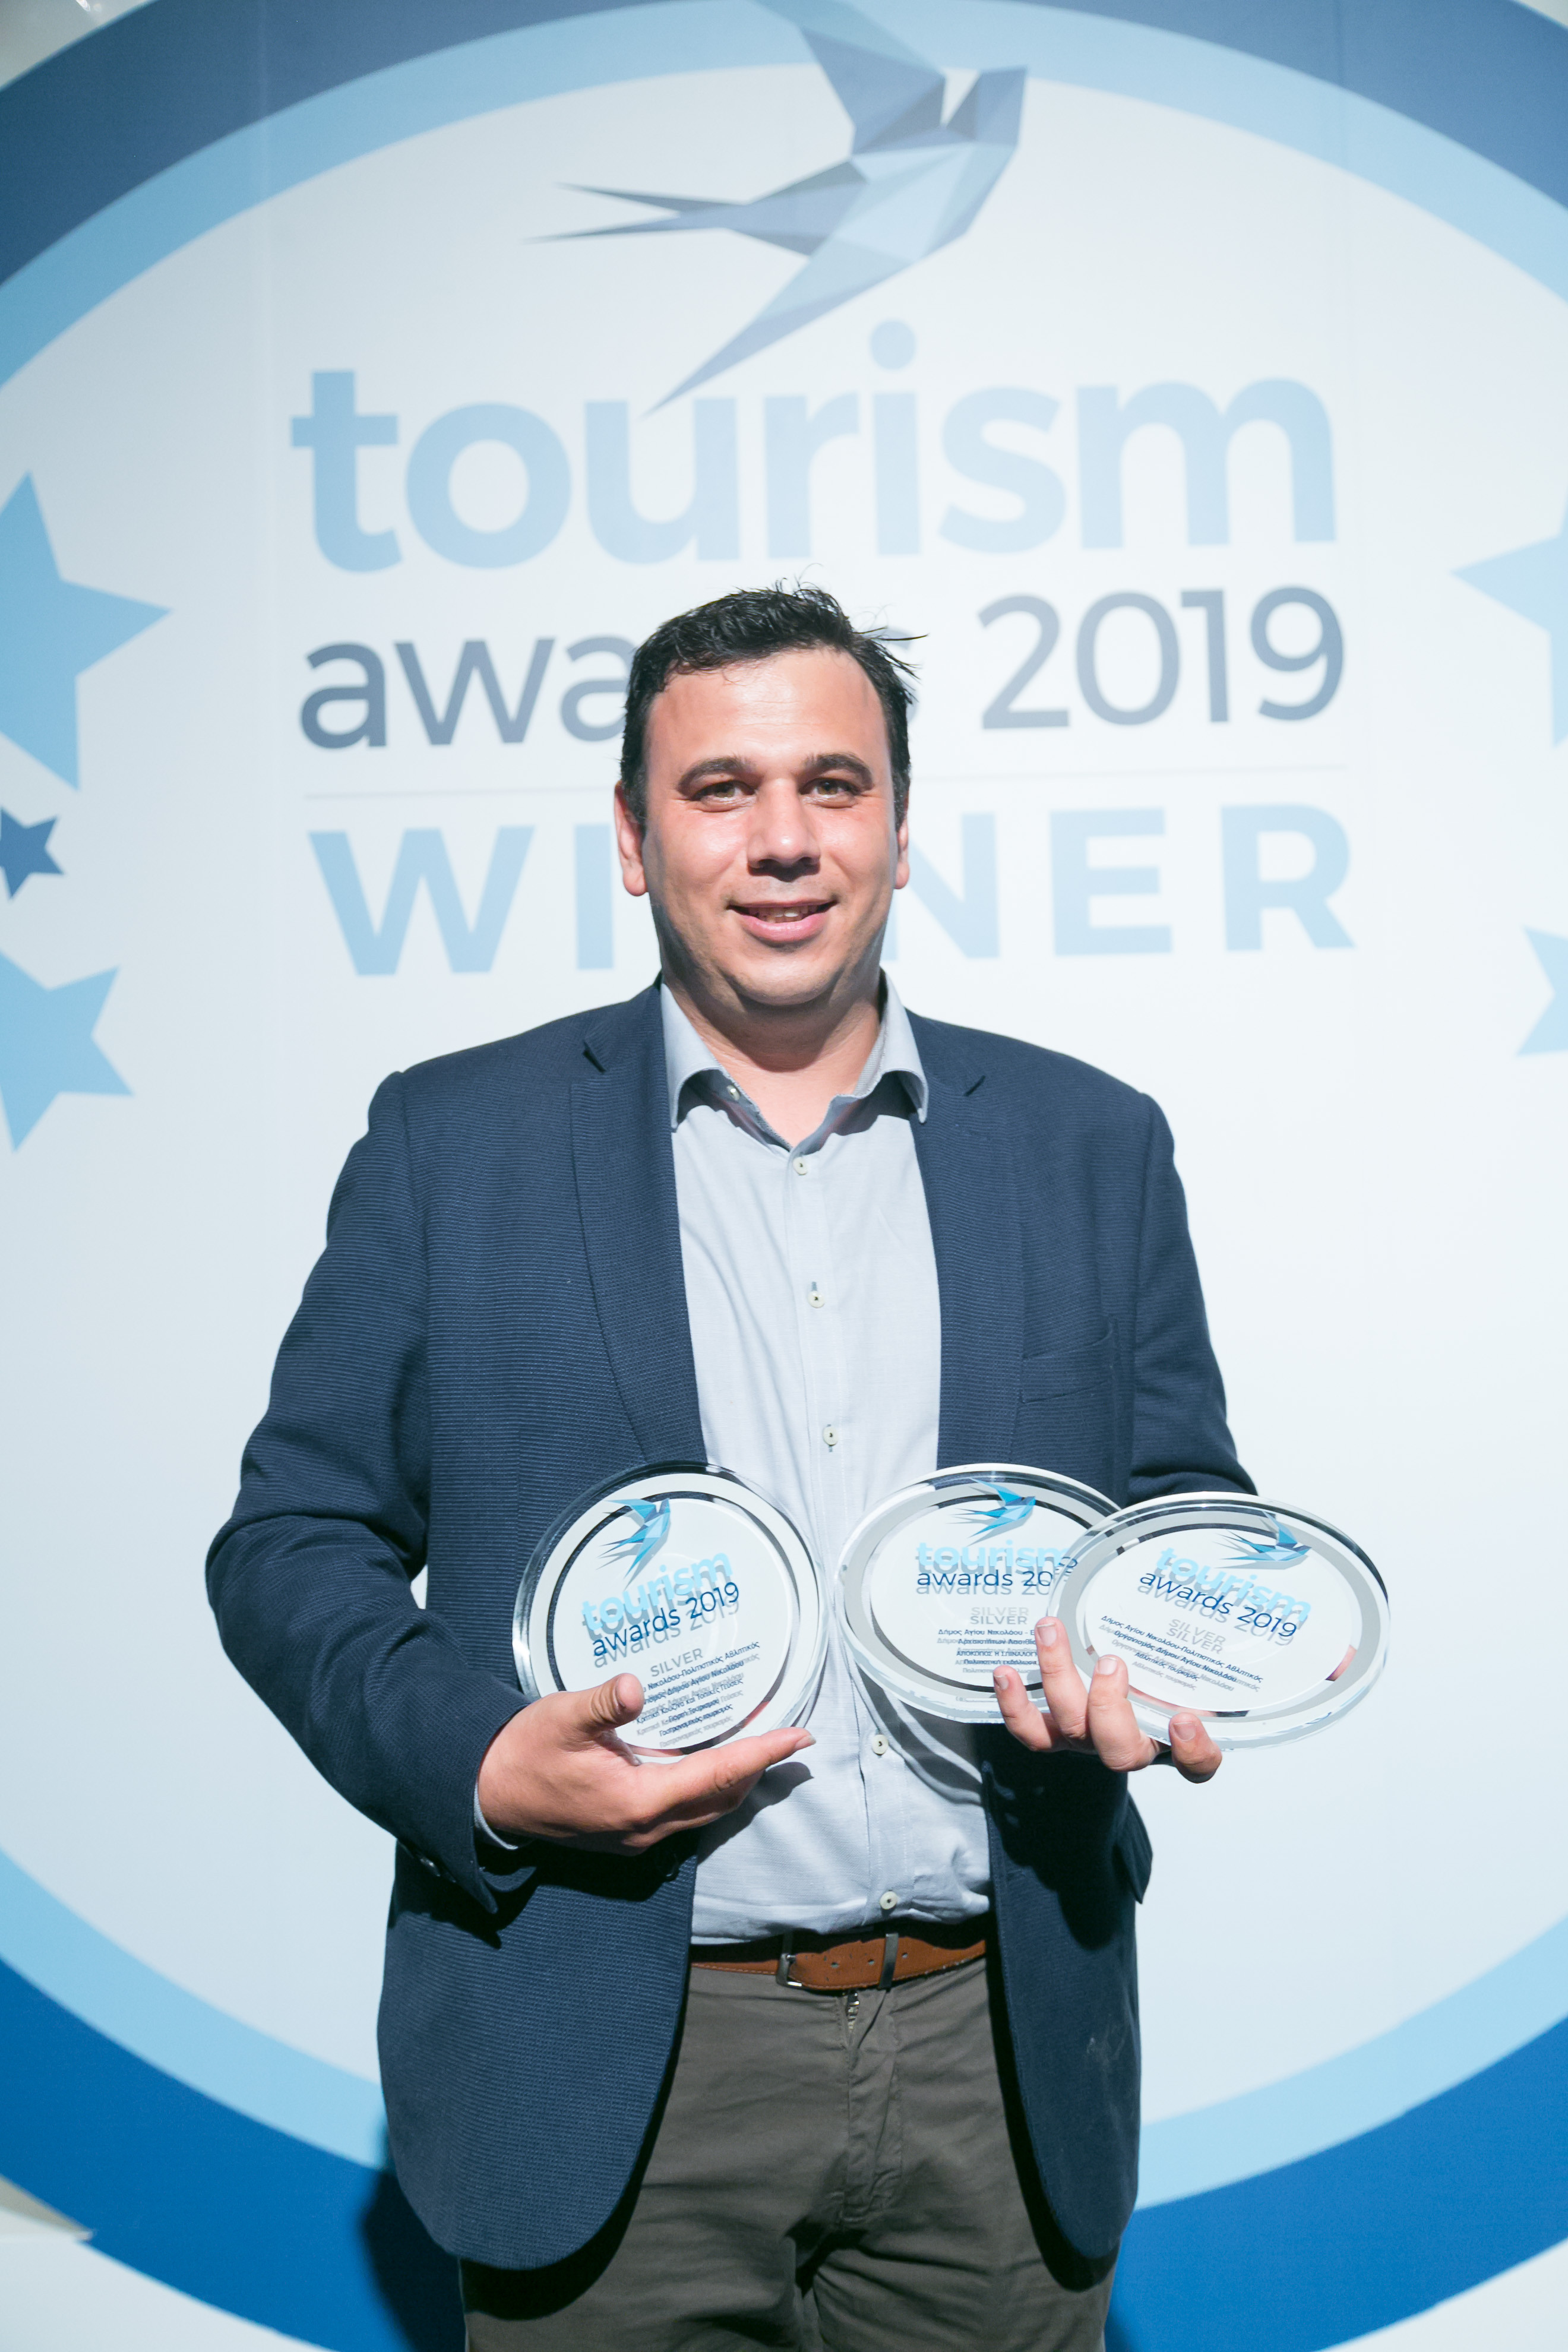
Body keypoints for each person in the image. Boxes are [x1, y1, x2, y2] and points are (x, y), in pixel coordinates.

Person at [208, 583, 1250, 2351]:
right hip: (608, 2051)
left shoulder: (1092, 1144)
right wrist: (482, 1767)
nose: (783, 841)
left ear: (900, 828)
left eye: (834, 785)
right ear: (634, 839)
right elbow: (292, 1540)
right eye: (721, 790)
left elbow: (1173, 1514)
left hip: (1000, 2049)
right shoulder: (454, 1145)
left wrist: (1155, 1658)